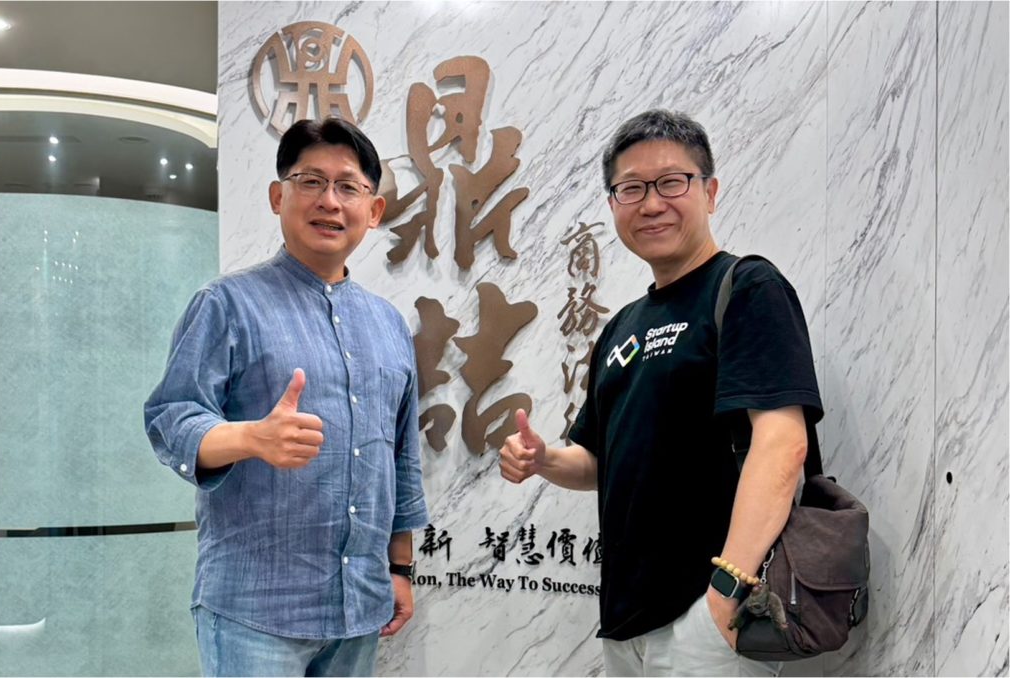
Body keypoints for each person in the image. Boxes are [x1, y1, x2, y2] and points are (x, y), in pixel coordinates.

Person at [500, 110, 822, 676]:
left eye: (672, 182)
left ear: (710, 192)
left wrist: (725, 593)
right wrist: (544, 458)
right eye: (631, 189)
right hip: (626, 624)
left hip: (708, 616)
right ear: (613, 204)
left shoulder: (747, 288)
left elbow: (782, 443)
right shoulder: (621, 327)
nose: (651, 204)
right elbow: (596, 462)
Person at [145, 117, 429, 677]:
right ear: (279, 197)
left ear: (373, 211)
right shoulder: (227, 303)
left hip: (359, 606)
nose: (330, 201)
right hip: (254, 610)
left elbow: (400, 456)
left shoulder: (389, 324)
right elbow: (170, 417)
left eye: (348, 187)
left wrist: (400, 568)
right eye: (311, 182)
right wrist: (249, 437)